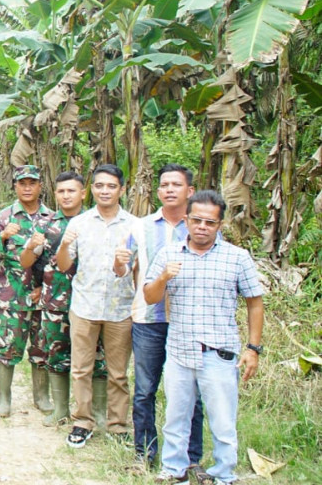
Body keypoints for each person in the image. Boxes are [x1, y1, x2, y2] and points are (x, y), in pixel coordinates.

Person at [145, 190, 264, 485]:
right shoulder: (168, 254)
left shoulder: (237, 258)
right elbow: (150, 297)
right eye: (196, 220)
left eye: (209, 223)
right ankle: (174, 471)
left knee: (223, 421)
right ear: (186, 219)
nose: (201, 227)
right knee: (176, 418)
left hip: (219, 353)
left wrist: (253, 348)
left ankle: (224, 474)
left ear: (219, 225)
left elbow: (255, 302)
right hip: (179, 350)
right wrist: (163, 278)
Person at [56, 164, 143, 448]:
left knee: (118, 373)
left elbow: (137, 270)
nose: (105, 191)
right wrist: (63, 246)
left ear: (122, 189)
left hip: (120, 309)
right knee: (81, 368)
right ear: (91, 189)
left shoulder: (134, 225)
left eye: (111, 186)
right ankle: (82, 421)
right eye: (99, 186)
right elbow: (65, 265)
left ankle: (118, 425)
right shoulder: (79, 223)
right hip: (84, 306)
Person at [131, 165, 205, 470]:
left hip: (189, 322)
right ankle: (144, 455)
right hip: (149, 318)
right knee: (145, 391)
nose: (170, 189)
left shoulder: (201, 226)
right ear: (158, 191)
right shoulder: (141, 226)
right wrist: (120, 264)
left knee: (192, 395)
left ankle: (190, 459)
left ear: (189, 191)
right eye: (164, 184)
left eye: (177, 184)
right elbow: (125, 268)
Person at [34, 171, 108, 427]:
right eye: (61, 191)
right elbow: (32, 262)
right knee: (55, 354)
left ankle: (97, 411)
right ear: (55, 194)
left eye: (72, 191)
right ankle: (60, 409)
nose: (66, 196)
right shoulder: (45, 225)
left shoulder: (94, 222)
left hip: (90, 302)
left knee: (97, 358)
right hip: (55, 301)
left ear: (83, 193)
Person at [0, 165, 56, 418]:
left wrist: (42, 288)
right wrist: (2, 236)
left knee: (42, 348)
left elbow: (58, 262)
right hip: (11, 298)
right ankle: (4, 398)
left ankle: (42, 396)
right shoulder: (4, 218)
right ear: (15, 186)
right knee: (7, 347)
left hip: (42, 298)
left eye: (32, 183)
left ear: (40, 186)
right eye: (22, 183)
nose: (27, 187)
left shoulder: (51, 219)